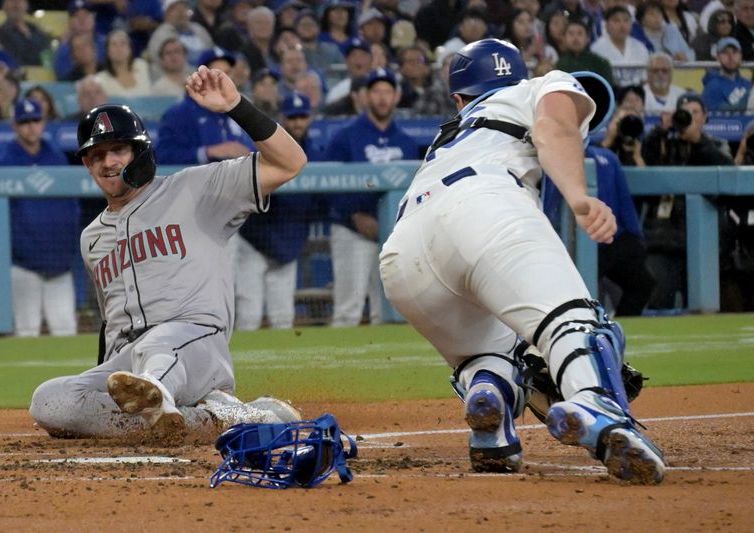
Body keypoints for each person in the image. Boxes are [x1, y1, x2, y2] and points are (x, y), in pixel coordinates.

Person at [378, 39, 666, 484]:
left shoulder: (451, 133)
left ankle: (491, 408)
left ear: (459, 98)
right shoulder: (541, 85)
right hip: (486, 202)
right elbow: (554, 127)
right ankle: (596, 402)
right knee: (575, 323)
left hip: (404, 251)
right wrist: (579, 197)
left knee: (489, 351)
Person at [28, 65, 308, 443]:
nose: (108, 162)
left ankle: (165, 398)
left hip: (193, 342)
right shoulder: (92, 237)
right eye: (96, 155)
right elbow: (111, 323)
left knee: (159, 346)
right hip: (131, 357)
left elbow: (290, 162)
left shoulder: (196, 188)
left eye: (118, 150)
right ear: (86, 165)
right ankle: (226, 417)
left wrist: (235, 106)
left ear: (139, 150)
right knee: (49, 401)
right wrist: (106, 384)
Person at [323, 68, 417, 327]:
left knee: (389, 307)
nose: (382, 98)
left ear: (397, 96)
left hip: (394, 234)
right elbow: (326, 185)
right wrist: (354, 216)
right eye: (376, 91)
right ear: (365, 96)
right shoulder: (345, 136)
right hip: (352, 231)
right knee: (348, 308)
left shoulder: (406, 141)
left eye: (388, 91)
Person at [234, 92, 319, 330]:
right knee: (248, 312)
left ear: (310, 118)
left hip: (289, 242)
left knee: (283, 316)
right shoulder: (266, 148)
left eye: (302, 117)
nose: (298, 123)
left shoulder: (316, 152)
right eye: (293, 118)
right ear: (283, 118)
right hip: (255, 240)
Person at [0, 98, 79, 337]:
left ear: (44, 122)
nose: (31, 127)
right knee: (26, 331)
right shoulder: (5, 161)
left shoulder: (57, 157)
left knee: (66, 332)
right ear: (15, 125)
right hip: (23, 266)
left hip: (59, 264)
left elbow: (71, 208)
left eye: (35, 121)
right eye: (24, 122)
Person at [641, 92, 734, 309]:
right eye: (685, 113)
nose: (690, 118)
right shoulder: (663, 143)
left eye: (695, 113)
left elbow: (728, 175)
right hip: (663, 238)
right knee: (657, 300)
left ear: (705, 117)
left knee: (705, 306)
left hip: (704, 240)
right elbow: (644, 165)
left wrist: (698, 142)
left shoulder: (716, 145)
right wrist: (658, 132)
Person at [544, 145, 656, 316]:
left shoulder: (608, 158)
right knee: (574, 290)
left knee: (643, 283)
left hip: (610, 240)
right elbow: (549, 204)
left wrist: (636, 236)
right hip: (568, 242)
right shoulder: (553, 158)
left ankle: (624, 324)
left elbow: (624, 200)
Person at [156, 47, 254, 165]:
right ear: (201, 76)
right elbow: (162, 154)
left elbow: (260, 149)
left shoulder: (239, 110)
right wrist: (208, 152)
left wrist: (250, 153)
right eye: (216, 72)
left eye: (227, 73)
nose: (224, 78)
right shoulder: (179, 113)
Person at [590, 6, 650, 87]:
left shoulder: (641, 48)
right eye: (616, 21)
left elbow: (645, 79)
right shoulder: (596, 49)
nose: (622, 25)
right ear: (606, 25)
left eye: (626, 21)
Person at [555, 19, 614, 86]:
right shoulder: (560, 64)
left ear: (587, 38)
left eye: (580, 33)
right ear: (565, 38)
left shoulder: (601, 63)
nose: (575, 38)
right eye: (571, 34)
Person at [95, 29, 153, 97]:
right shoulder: (101, 79)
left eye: (123, 43)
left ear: (130, 48)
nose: (119, 48)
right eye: (114, 44)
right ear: (107, 51)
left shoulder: (142, 65)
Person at [0, 0, 53, 67]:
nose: (16, 3)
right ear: (4, 6)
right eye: (11, 0)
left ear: (26, 5)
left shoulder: (38, 32)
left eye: (20, 0)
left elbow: (48, 60)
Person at [701, 36, 751, 111]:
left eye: (734, 52)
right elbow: (720, 116)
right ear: (718, 57)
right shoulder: (712, 87)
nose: (730, 57)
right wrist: (749, 96)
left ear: (741, 56)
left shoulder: (747, 83)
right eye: (725, 52)